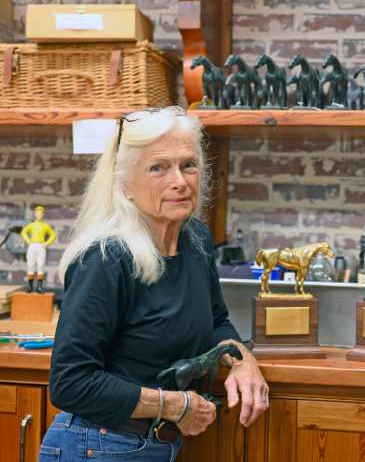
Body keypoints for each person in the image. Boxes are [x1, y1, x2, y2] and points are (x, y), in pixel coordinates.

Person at [39, 106, 269, 462]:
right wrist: (174, 405)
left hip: (154, 445)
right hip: (94, 446)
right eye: (158, 168)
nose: (179, 180)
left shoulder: (196, 240)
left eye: (188, 165)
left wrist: (242, 360)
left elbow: (216, 322)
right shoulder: (105, 258)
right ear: (125, 186)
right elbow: (70, 383)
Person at [20, 205, 56, 293]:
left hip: (41, 246)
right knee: (30, 265)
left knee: (41, 265)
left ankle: (39, 286)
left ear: (43, 214)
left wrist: (46, 243)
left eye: (41, 213)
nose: (39, 215)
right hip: (32, 245)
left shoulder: (45, 226)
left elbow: (53, 235)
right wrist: (28, 240)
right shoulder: (31, 225)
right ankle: (30, 286)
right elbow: (23, 232)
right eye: (38, 213)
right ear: (35, 214)